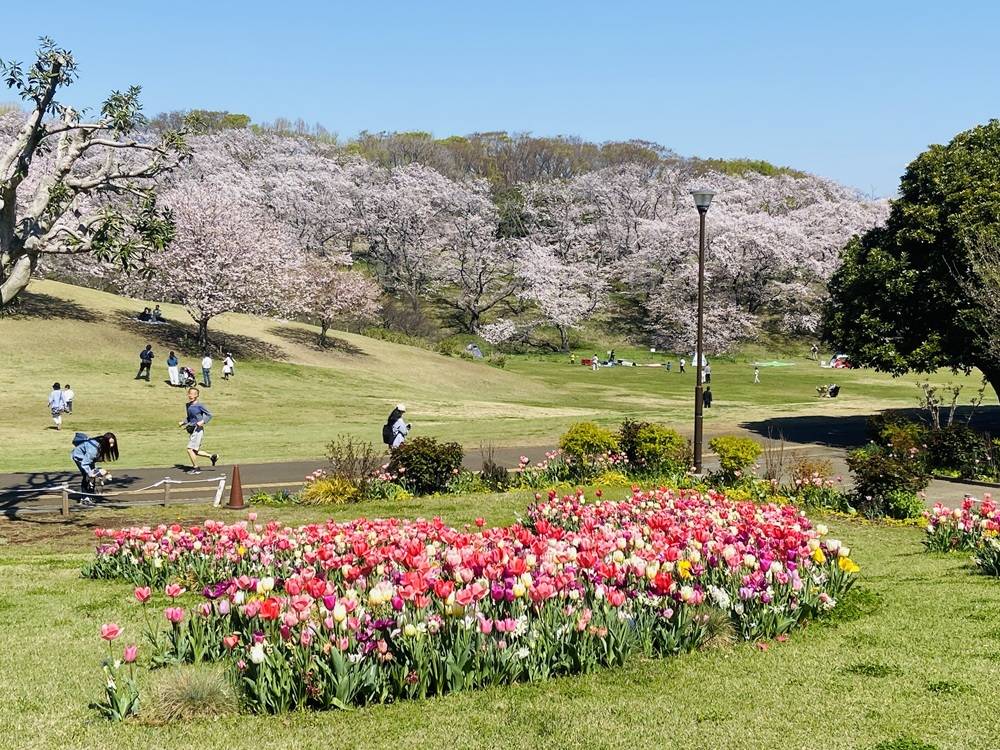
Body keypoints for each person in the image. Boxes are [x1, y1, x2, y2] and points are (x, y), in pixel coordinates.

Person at [179, 387, 218, 474]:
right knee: (195, 451)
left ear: (197, 395)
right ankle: (212, 456)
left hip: (198, 430)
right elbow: (190, 418)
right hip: (192, 430)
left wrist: (203, 421)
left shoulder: (199, 405)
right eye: (190, 393)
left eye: (193, 394)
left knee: (189, 449)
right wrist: (183, 422)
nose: (191, 395)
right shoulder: (188, 405)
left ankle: (196, 468)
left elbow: (209, 415)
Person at [70, 431, 118, 500]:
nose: (111, 445)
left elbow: (94, 459)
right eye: (110, 443)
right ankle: (85, 498)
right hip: (79, 457)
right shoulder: (93, 450)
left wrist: (96, 472)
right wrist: (91, 473)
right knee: (86, 475)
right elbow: (85, 463)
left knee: (93, 475)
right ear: (105, 442)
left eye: (113, 443)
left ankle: (91, 495)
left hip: (88, 458)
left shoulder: (101, 445)